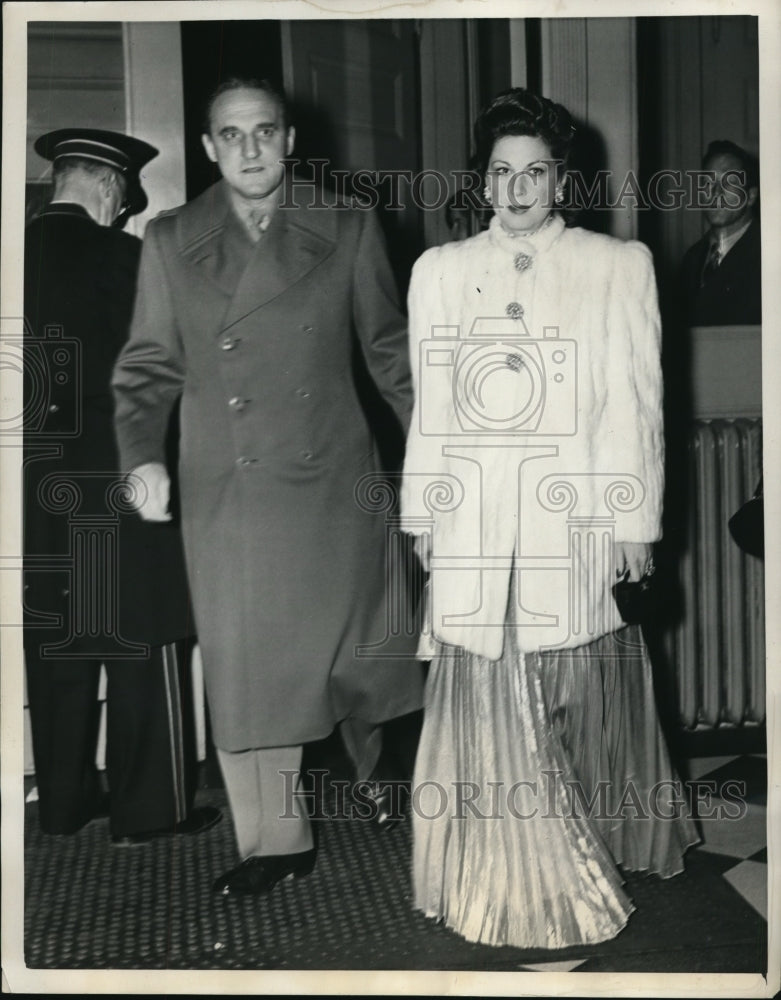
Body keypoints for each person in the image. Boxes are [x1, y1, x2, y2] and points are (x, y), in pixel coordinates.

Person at [401, 88, 699, 949]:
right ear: (481, 181)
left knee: (572, 693)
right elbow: (433, 409)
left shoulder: (617, 265)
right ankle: (496, 879)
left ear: (561, 179)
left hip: (571, 523)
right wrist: (425, 510)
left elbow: (636, 407)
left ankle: (586, 845)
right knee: (487, 697)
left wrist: (634, 522)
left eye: (534, 173)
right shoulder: (441, 272)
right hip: (475, 526)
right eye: (500, 173)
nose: (516, 190)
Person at [112, 78, 423, 896]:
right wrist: (141, 455)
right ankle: (275, 840)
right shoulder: (170, 238)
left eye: (265, 131)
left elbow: (390, 355)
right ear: (209, 148)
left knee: (359, 653)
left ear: (289, 139)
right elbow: (147, 368)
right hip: (231, 491)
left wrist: (440, 459)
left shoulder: (347, 224)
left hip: (332, 481)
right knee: (250, 669)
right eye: (231, 134)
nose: (250, 149)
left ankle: (372, 754)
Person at [23, 129, 220, 845]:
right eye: (123, 199)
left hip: (33, 491)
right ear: (109, 188)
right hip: (116, 478)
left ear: (59, 181)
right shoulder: (124, 257)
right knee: (141, 640)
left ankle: (66, 803)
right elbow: (169, 373)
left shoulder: (13, 256)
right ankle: (148, 811)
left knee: (59, 641)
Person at [680, 139, 761, 326]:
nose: (716, 192)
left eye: (729, 182)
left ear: (750, 196)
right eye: (708, 182)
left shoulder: (770, 253)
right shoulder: (691, 260)